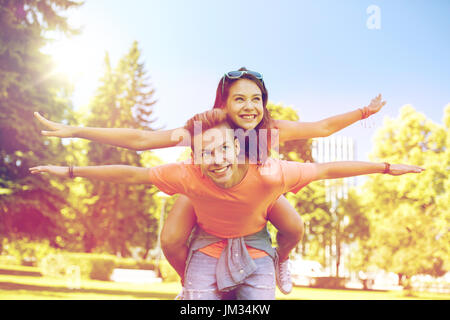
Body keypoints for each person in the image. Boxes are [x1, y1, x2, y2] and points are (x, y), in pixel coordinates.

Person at [33, 67, 386, 293]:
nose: (249, 107)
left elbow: (323, 129)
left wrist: (363, 113)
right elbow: (141, 140)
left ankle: (280, 260)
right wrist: (77, 131)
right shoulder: (205, 131)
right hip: (204, 187)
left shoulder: (270, 130)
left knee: (294, 226)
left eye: (257, 99)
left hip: (259, 191)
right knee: (170, 239)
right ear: (225, 104)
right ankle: (190, 285)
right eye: (239, 100)